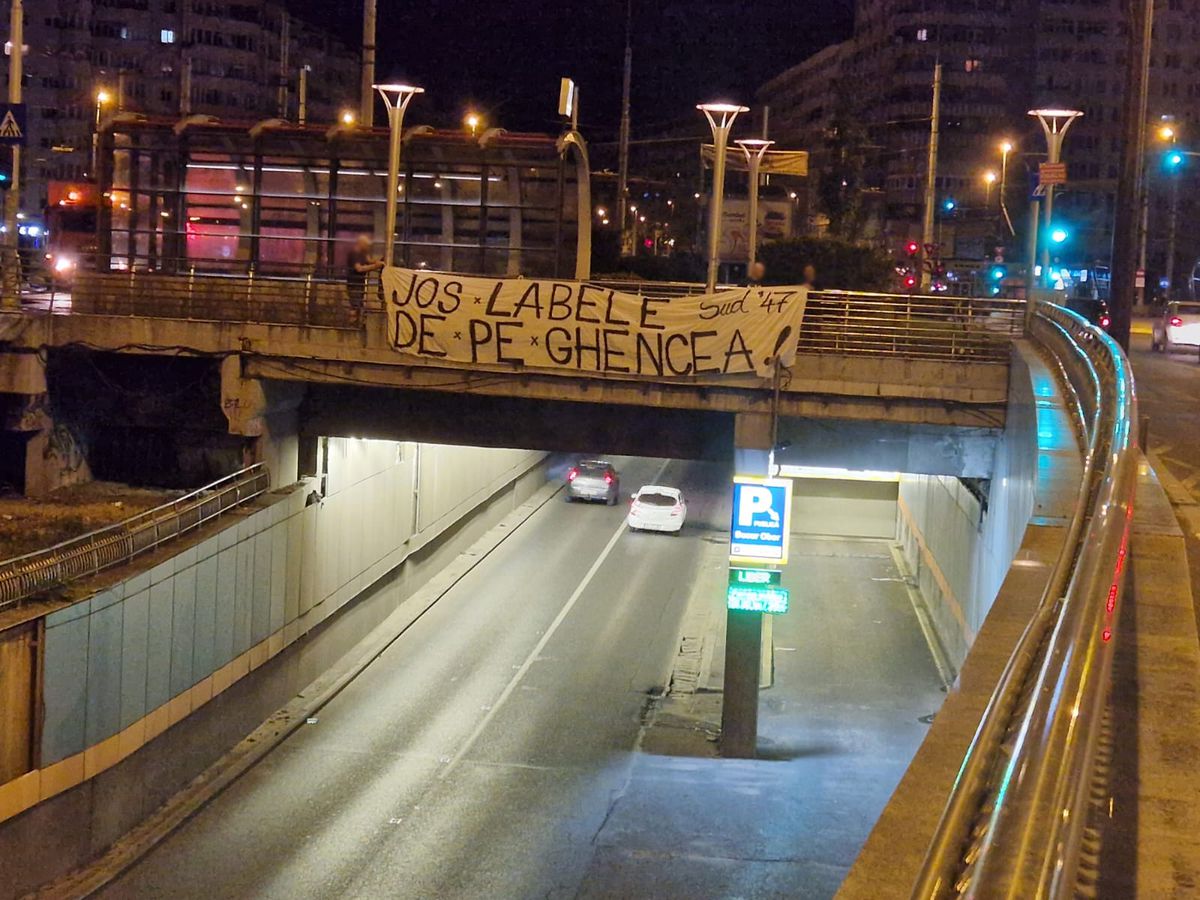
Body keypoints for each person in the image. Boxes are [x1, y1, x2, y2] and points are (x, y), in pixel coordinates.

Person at [346, 234, 384, 324]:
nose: (368, 247)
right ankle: (352, 324)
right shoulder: (355, 253)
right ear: (361, 244)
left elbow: (369, 260)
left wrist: (378, 262)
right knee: (355, 304)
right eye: (366, 245)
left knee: (358, 303)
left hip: (359, 283)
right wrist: (375, 266)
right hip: (354, 283)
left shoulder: (362, 254)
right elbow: (359, 268)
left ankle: (356, 322)